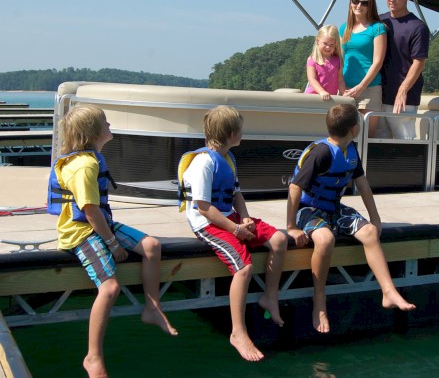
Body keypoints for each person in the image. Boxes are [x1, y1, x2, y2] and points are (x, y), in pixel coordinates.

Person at [47, 104, 177, 378]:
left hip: (99, 224)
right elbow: (90, 210)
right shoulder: (83, 165)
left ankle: (152, 308)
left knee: (152, 246)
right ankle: (93, 357)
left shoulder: (92, 159)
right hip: (80, 232)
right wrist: (113, 244)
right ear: (93, 131)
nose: (110, 125)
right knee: (110, 287)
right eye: (105, 122)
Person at [286, 103, 416, 333]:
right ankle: (319, 300)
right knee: (325, 240)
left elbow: (363, 185)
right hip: (309, 209)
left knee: (369, 233)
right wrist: (291, 226)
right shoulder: (321, 153)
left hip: (334, 208)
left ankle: (388, 291)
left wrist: (375, 219)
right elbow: (295, 187)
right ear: (355, 128)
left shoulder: (351, 149)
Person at [177, 105, 288, 362]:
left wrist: (245, 218)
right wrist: (236, 230)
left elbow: (236, 193)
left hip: (230, 217)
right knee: (243, 268)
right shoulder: (203, 163)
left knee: (280, 239)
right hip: (208, 224)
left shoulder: (228, 158)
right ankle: (238, 332)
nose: (242, 132)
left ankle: (270, 297)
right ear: (230, 134)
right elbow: (203, 207)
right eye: (239, 128)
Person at [379, 0, 431, 139]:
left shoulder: (418, 27)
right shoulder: (379, 22)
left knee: (404, 143)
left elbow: (419, 62)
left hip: (403, 99)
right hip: (378, 94)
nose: (391, 0)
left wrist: (402, 90)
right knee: (375, 143)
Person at [339, 0, 387, 137]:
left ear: (370, 6)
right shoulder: (343, 28)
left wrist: (361, 87)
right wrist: (341, 88)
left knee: (366, 135)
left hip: (369, 90)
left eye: (364, 3)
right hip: (345, 90)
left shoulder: (378, 28)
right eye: (356, 1)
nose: (359, 5)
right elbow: (339, 60)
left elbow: (378, 62)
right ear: (350, 2)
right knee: (344, 135)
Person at [304, 24, 346, 100]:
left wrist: (344, 93)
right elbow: (312, 79)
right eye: (325, 43)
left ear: (336, 45)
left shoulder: (338, 60)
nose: (328, 47)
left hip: (330, 98)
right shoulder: (312, 60)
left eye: (331, 45)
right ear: (317, 41)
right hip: (313, 98)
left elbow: (340, 80)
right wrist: (321, 91)